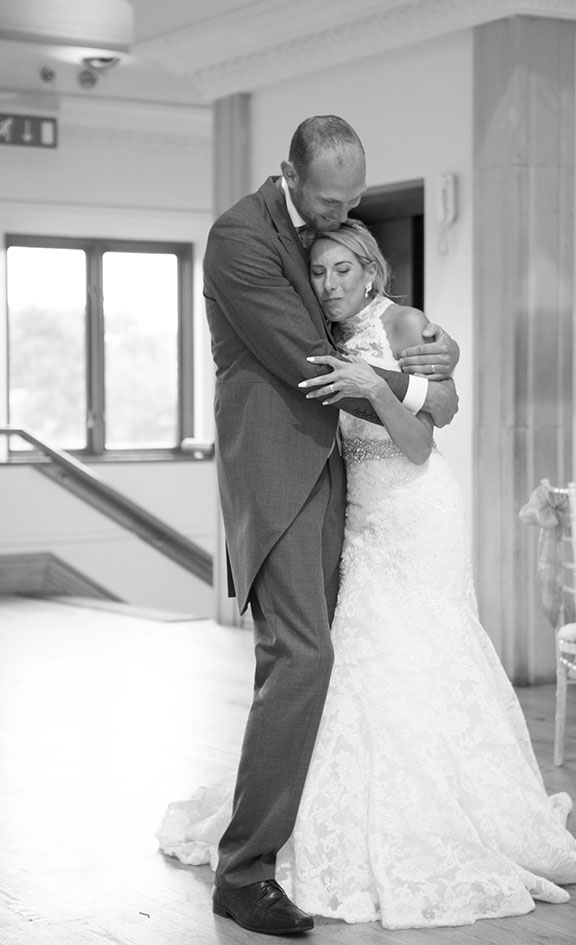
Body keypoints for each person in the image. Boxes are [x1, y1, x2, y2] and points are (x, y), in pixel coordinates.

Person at [158, 219, 576, 929]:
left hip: (417, 510)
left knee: (427, 648)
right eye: (319, 273)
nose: (328, 285)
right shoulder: (318, 334)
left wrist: (376, 383)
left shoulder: (405, 321)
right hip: (359, 517)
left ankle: (442, 810)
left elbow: (426, 434)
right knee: (363, 658)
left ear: (370, 272)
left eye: (340, 272)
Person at [198, 116, 460, 935]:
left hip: (339, 473)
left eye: (353, 202)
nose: (337, 215)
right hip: (276, 473)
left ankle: (294, 837)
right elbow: (312, 362)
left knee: (318, 657)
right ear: (288, 174)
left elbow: (361, 318)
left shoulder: (317, 227)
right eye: (326, 200)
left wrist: (436, 353)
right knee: (302, 653)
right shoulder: (240, 237)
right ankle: (243, 873)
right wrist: (416, 383)